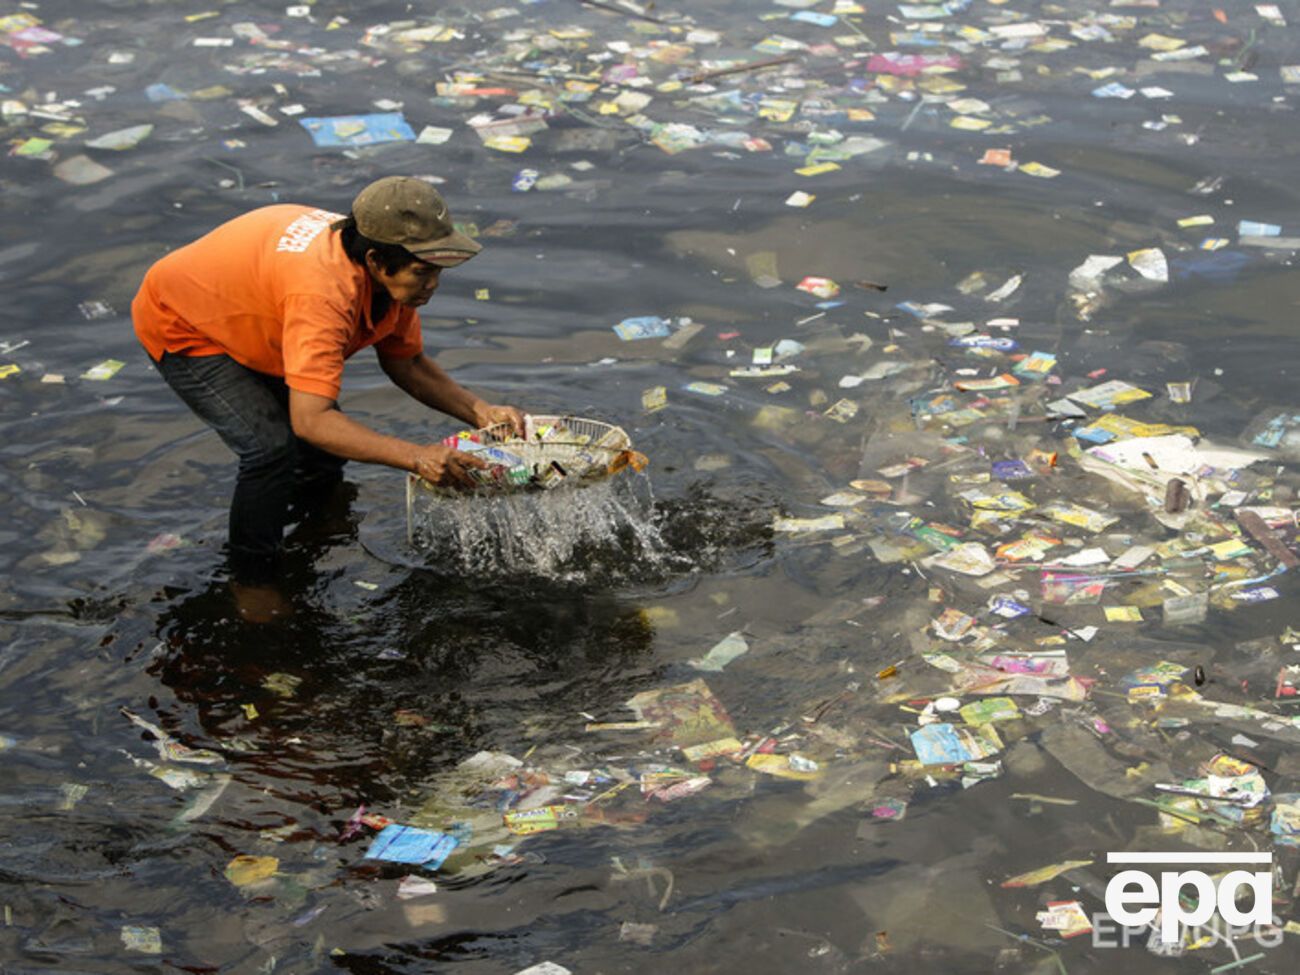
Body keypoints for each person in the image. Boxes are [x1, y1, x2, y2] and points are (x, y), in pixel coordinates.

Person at [132, 175, 523, 618]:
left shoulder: (391, 280)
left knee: (321, 459)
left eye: (438, 271)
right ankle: (252, 583)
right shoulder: (323, 292)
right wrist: (418, 457)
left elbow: (406, 363)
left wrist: (479, 410)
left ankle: (318, 530)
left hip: (263, 313)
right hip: (186, 322)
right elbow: (312, 420)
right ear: (377, 261)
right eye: (423, 271)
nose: (433, 283)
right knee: (269, 449)